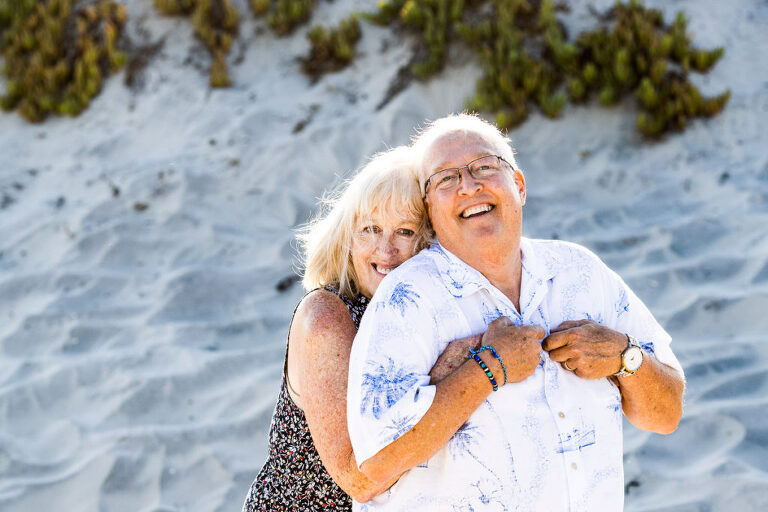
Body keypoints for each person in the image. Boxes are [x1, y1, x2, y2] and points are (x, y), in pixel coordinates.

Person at [346, 114, 686, 511]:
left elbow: (668, 414)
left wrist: (626, 358)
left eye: (484, 167)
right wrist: (488, 369)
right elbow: (374, 463)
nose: (469, 186)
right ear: (430, 211)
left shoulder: (581, 271)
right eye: (446, 179)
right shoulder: (406, 299)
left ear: (519, 186)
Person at [242, 145, 486, 511]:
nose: (385, 251)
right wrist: (465, 370)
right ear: (347, 237)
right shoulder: (326, 315)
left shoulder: (424, 312)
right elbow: (359, 477)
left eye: (404, 231)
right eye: (370, 229)